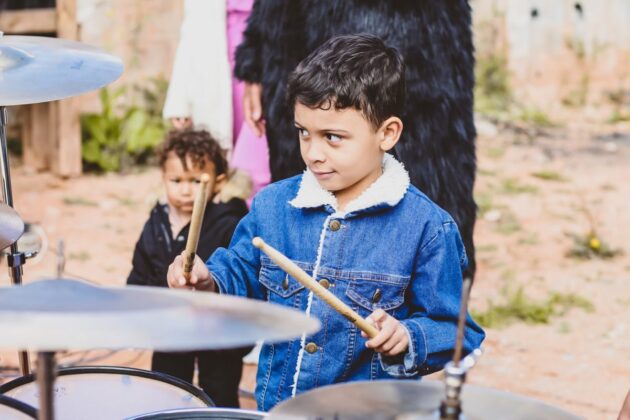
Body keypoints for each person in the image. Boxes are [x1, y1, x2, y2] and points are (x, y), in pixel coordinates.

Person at [168, 34, 485, 411]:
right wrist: (209, 280)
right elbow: (240, 272)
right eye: (304, 133)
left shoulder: (427, 229)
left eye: (333, 137)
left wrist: (409, 336)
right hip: (280, 410)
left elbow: (457, 331)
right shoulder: (273, 205)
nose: (314, 153)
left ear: (387, 133)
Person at [235, 0, 478, 279]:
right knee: (307, 204)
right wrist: (256, 61)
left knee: (422, 206)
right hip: (304, 36)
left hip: (423, 46)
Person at [127, 129, 249, 407]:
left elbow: (237, 272)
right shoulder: (157, 221)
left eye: (196, 181)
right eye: (176, 180)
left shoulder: (229, 222)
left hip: (218, 332)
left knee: (220, 392)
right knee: (166, 387)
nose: (185, 189)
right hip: (169, 326)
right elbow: (141, 267)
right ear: (163, 178)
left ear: (218, 182)